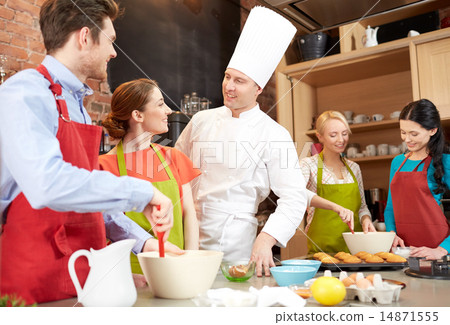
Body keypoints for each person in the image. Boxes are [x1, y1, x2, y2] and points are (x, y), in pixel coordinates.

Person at [0, 0, 173, 304]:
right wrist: (143, 192)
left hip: (80, 277)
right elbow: (48, 185)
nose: (113, 52)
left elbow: (87, 199)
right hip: (31, 285)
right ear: (84, 37)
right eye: (110, 40)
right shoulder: (25, 92)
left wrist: (142, 243)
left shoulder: (77, 105)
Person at [176, 6, 309, 277]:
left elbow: (295, 197)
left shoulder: (274, 134)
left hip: (235, 238)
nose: (229, 86)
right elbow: (177, 169)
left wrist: (267, 237)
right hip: (186, 232)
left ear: (258, 89)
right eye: (227, 77)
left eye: (239, 81)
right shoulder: (201, 119)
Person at [99, 78, 200, 273]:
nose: (169, 111)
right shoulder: (103, 166)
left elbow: (189, 216)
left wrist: (191, 262)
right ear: (137, 115)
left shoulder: (174, 158)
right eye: (161, 104)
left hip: (176, 267)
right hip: (127, 273)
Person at [300, 111, 376, 254]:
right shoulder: (308, 165)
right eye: (333, 135)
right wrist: (335, 207)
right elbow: (298, 194)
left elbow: (362, 207)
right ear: (320, 136)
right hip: (322, 250)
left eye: (345, 133)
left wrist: (366, 219)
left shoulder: (354, 168)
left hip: (356, 250)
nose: (341, 139)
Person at [385, 99, 450, 259]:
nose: (407, 139)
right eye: (403, 132)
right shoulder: (398, 163)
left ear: (433, 130)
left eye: (414, 134)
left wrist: (442, 250)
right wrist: (391, 234)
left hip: (437, 253)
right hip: (403, 252)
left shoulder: (445, 161)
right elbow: (390, 208)